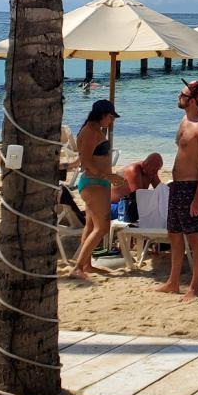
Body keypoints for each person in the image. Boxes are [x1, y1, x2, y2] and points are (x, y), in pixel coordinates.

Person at [155, 80, 198, 301]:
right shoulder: (184, 120)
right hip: (177, 186)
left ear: (194, 99)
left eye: (183, 94)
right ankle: (172, 282)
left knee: (194, 238)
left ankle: (195, 286)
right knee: (174, 234)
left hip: (191, 187)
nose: (179, 96)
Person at [69, 99, 124, 281]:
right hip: (94, 184)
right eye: (110, 117)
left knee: (91, 226)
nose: (111, 121)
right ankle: (77, 266)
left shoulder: (94, 131)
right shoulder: (90, 132)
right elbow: (86, 162)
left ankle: (86, 264)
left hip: (98, 183)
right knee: (102, 227)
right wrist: (109, 176)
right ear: (102, 115)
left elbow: (83, 158)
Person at [112, 153, 163, 220]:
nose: (155, 173)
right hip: (117, 206)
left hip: (130, 206)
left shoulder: (151, 171)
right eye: (154, 170)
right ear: (145, 165)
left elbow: (162, 190)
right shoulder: (133, 170)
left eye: (157, 170)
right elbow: (139, 197)